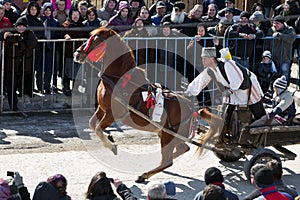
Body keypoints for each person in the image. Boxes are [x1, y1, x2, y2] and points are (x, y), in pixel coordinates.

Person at [186, 47, 265, 146]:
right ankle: (225, 137)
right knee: (225, 114)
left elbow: (239, 80)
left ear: (211, 59)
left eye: (204, 58)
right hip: (232, 92)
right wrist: (188, 92)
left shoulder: (227, 64)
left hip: (248, 89)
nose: (202, 61)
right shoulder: (210, 70)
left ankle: (264, 136)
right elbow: (200, 81)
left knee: (258, 113)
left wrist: (229, 90)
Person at [3, 17, 38, 111]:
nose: (21, 28)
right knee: (11, 87)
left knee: (24, 87)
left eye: (23, 26)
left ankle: (23, 107)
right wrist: (20, 38)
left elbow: (34, 42)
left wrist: (21, 44)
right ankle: (13, 107)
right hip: (12, 66)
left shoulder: (29, 33)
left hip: (24, 67)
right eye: (19, 26)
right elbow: (7, 37)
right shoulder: (10, 31)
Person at [61, 8, 86, 96]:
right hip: (69, 52)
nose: (75, 17)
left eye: (77, 15)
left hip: (79, 53)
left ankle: (75, 88)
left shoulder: (82, 25)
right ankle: (66, 87)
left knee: (78, 71)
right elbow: (64, 32)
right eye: (74, 15)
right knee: (68, 70)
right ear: (70, 15)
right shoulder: (66, 24)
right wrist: (67, 36)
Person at [266, 15, 296, 81]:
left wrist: (279, 35)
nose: (275, 25)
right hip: (273, 57)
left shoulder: (289, 29)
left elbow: (292, 38)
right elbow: (267, 43)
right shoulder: (271, 30)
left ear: (282, 24)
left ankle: (284, 89)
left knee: (284, 74)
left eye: (277, 23)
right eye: (274, 23)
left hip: (285, 58)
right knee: (274, 74)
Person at [41, 2, 61, 94]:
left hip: (51, 47)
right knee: (41, 68)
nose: (48, 12)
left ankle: (48, 87)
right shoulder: (40, 21)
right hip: (41, 47)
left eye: (50, 10)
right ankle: (40, 86)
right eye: (46, 10)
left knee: (50, 68)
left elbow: (58, 34)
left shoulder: (55, 22)